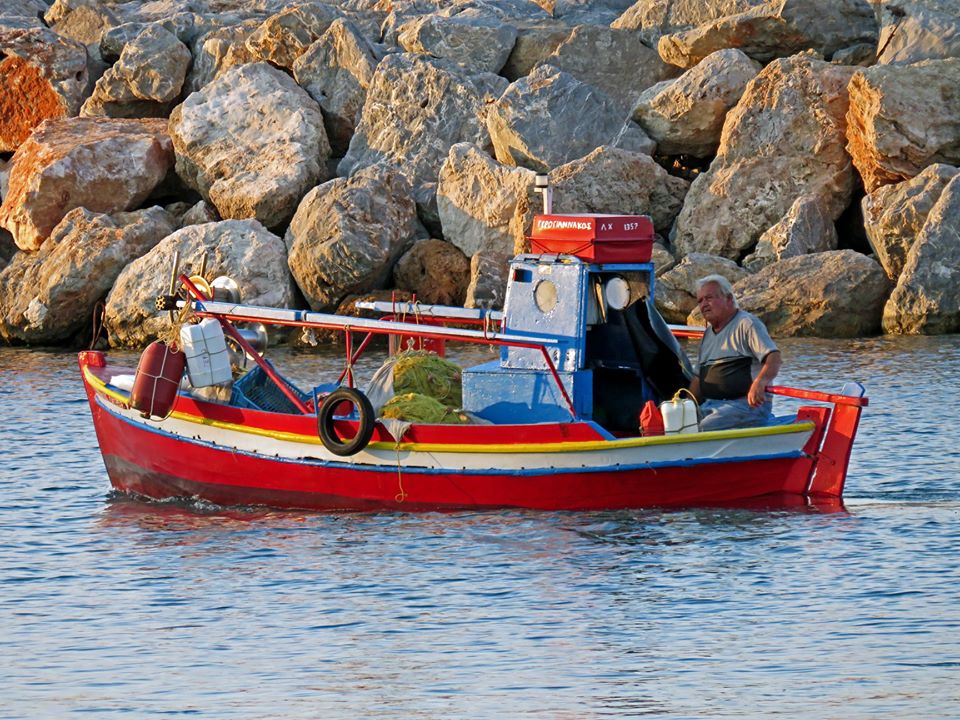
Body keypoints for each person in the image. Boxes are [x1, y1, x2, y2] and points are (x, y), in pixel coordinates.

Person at [689, 275, 782, 431]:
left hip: (746, 406)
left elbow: (774, 358)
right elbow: (699, 378)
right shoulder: (707, 335)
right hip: (712, 404)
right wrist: (686, 405)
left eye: (709, 298)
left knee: (704, 428)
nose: (704, 304)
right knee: (678, 423)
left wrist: (760, 383)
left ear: (729, 299)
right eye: (700, 301)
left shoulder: (746, 324)